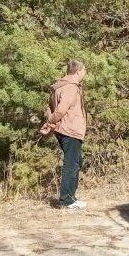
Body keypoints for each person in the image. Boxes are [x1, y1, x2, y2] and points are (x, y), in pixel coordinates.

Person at [40, 59, 88, 209]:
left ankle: (71, 198)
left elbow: (49, 107)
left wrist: (52, 123)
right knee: (71, 164)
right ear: (78, 71)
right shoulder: (71, 87)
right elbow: (60, 110)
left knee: (75, 162)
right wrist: (50, 122)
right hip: (71, 129)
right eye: (84, 70)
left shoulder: (58, 86)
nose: (85, 73)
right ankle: (67, 200)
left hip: (64, 129)